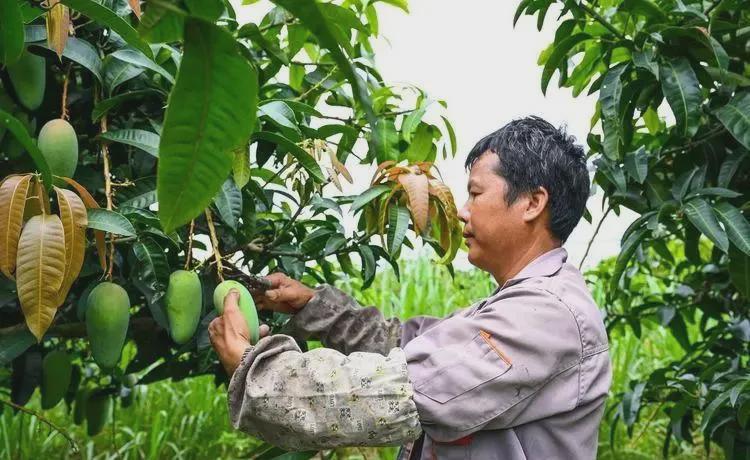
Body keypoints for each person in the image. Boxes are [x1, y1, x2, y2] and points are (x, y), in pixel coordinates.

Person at [208, 116, 612, 459]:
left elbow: (393, 394)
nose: (462, 211)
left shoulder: (547, 317)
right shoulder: (521, 305)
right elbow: (414, 347)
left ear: (532, 203)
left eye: (475, 193)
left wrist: (255, 366)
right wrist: (313, 306)